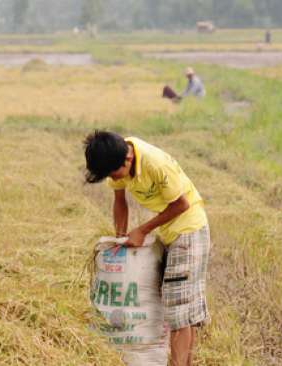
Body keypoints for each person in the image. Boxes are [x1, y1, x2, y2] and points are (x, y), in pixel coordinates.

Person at [83, 131, 210, 366]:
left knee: (179, 311)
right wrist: (120, 239)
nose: (113, 178)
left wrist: (143, 230)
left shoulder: (155, 164)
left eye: (114, 173)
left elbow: (181, 204)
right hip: (171, 232)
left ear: (127, 160)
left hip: (189, 230)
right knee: (179, 307)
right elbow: (119, 202)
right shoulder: (117, 161)